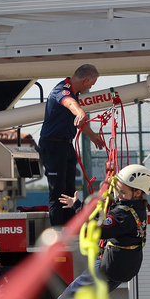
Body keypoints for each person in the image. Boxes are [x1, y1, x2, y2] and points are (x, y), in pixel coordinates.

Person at [31, 164, 150, 299]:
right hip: (128, 266)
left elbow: (98, 227)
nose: (118, 195)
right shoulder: (139, 209)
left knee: (76, 288)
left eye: (122, 193)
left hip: (111, 263)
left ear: (138, 193)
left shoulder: (123, 214)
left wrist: (78, 206)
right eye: (118, 191)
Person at [39, 64, 106, 227]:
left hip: (66, 146)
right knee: (57, 192)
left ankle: (69, 228)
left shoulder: (73, 92)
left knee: (69, 191)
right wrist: (81, 112)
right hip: (53, 145)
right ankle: (57, 232)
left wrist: (92, 135)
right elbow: (70, 104)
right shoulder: (62, 90)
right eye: (92, 83)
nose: (91, 86)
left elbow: (76, 120)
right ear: (86, 80)